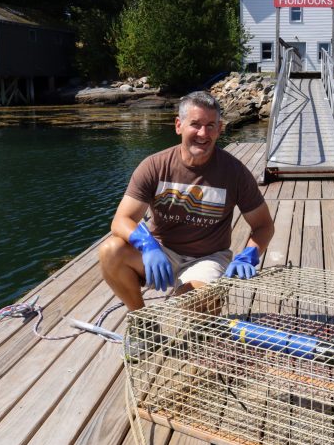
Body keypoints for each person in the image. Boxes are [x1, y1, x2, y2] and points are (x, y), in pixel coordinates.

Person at [98, 91, 275, 316]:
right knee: (110, 251)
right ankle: (142, 321)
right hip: (161, 253)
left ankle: (194, 297)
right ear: (178, 125)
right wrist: (148, 246)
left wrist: (249, 254)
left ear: (220, 129)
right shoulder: (154, 166)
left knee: (193, 304)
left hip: (208, 257)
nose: (203, 133)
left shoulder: (235, 172)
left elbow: (264, 225)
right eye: (195, 124)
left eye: (211, 125)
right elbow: (121, 220)